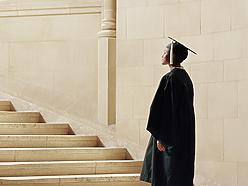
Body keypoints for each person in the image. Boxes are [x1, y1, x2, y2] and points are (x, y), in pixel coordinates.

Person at [140, 38, 196, 186]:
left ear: (172, 56)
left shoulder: (170, 78)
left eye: (165, 52)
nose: (162, 55)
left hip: (168, 136)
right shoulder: (185, 78)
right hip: (183, 135)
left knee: (167, 173)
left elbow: (165, 110)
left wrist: (161, 137)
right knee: (179, 173)